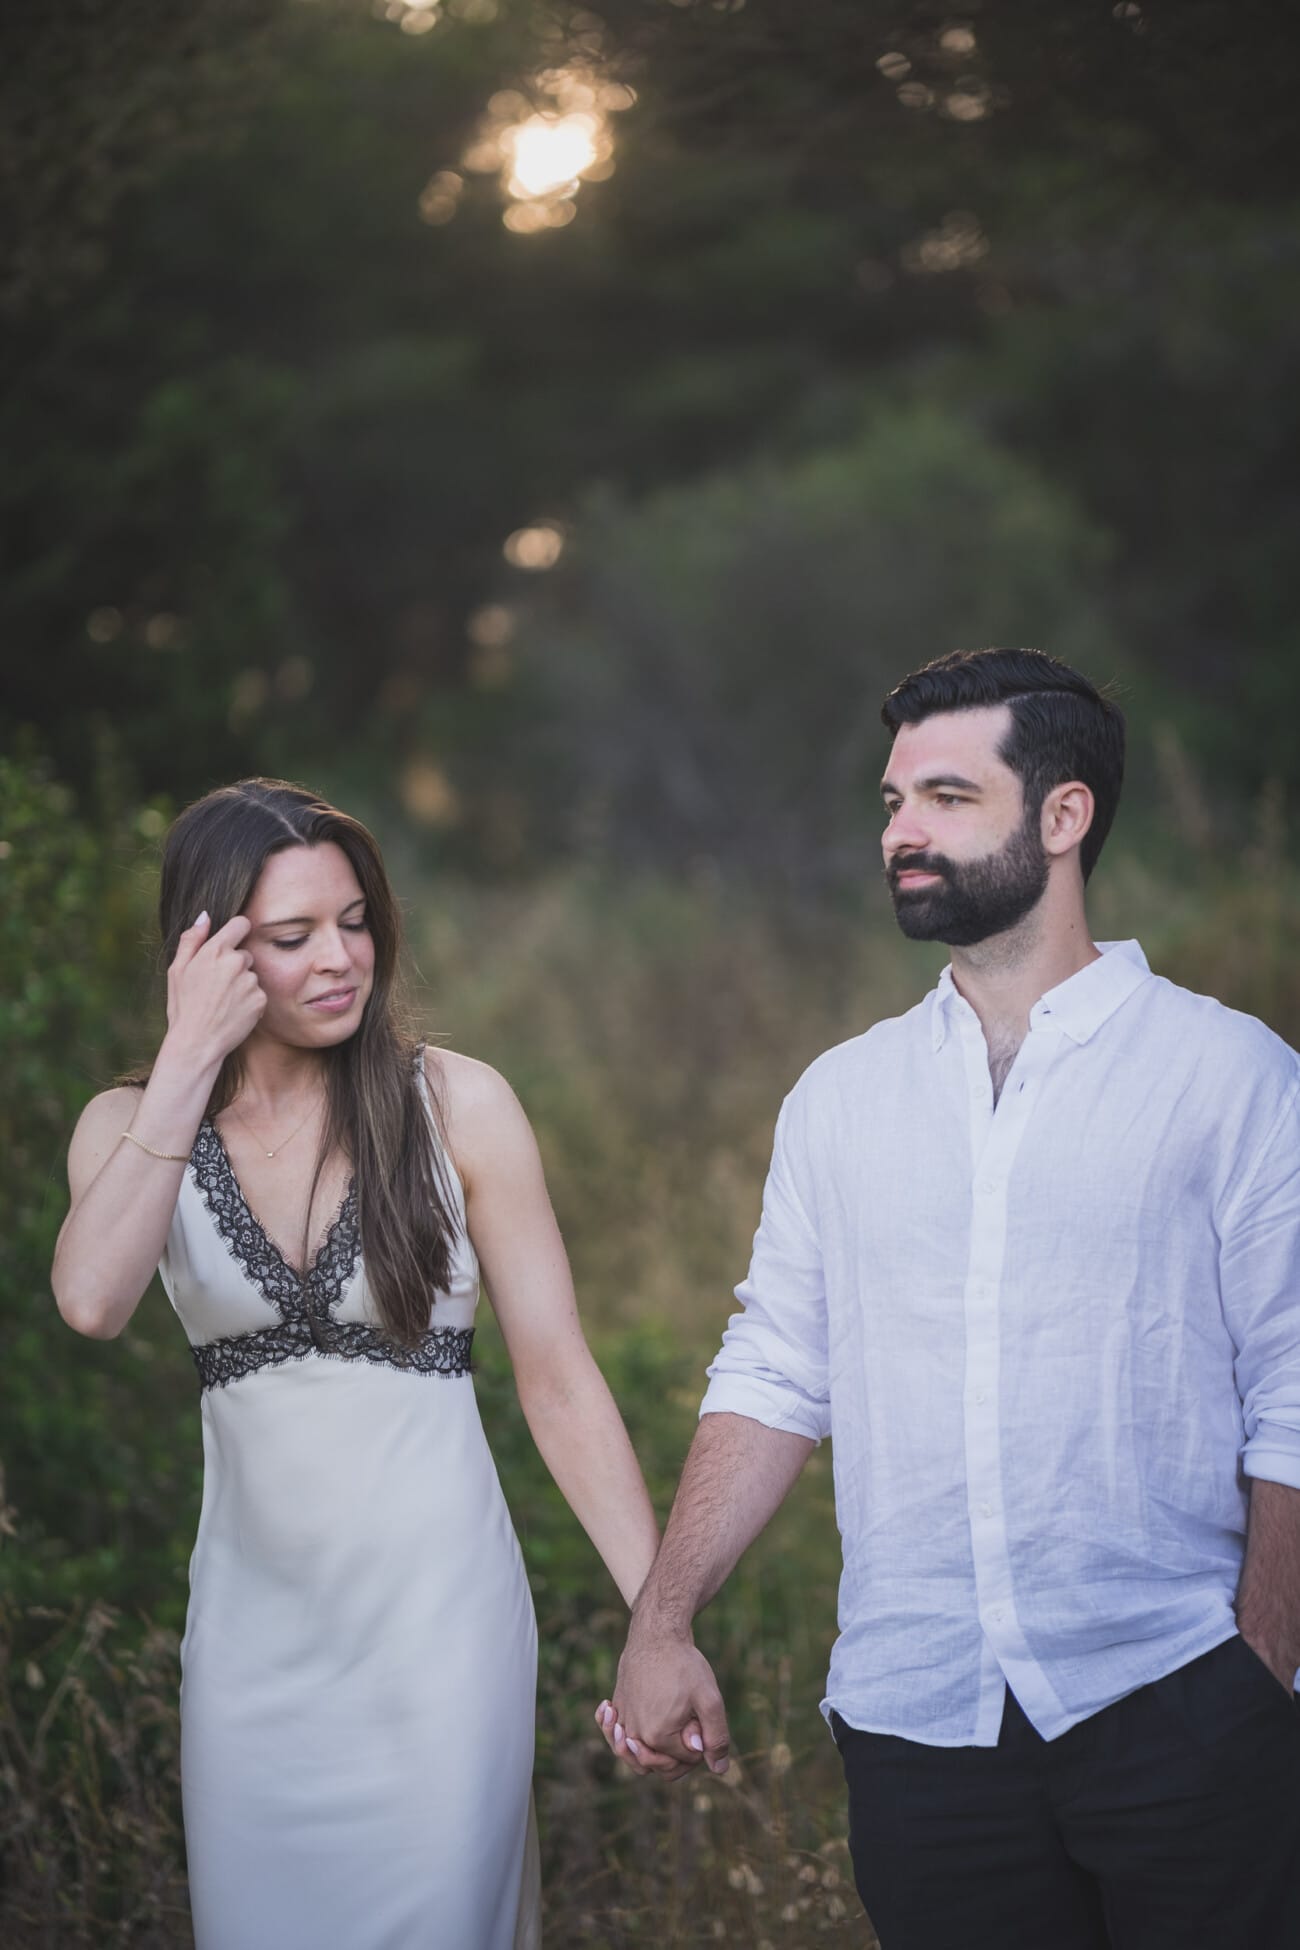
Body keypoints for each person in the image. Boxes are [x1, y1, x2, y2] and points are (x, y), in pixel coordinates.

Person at [597, 648, 1300, 1947]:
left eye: (944, 796)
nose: (901, 832)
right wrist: (665, 1619)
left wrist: (1260, 1677)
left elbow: (1294, 1399)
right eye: (889, 801)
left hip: (1179, 1704)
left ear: (1065, 813)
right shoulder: (840, 1097)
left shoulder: (1232, 1078)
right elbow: (772, 1372)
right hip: (920, 1725)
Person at [52, 777, 672, 1950]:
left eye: (354, 921)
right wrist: (188, 1061)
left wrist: (661, 1619)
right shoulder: (127, 1127)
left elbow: (557, 1376)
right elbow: (90, 1299)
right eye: (291, 938)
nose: (341, 959)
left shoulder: (460, 1107)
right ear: (212, 953)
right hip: (251, 1657)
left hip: (442, 1641)